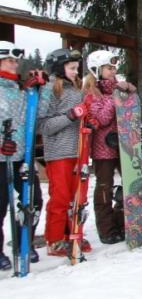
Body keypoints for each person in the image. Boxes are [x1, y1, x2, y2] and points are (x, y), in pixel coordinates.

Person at [37, 48, 92, 256]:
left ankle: (73, 233)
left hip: (79, 149)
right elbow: (43, 125)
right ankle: (55, 239)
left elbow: (83, 115)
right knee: (60, 197)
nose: (75, 72)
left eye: (77, 68)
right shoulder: (50, 89)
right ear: (59, 69)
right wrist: (70, 115)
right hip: (59, 151)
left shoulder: (77, 89)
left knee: (77, 197)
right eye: (71, 68)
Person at [0, 42, 45, 269]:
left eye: (15, 61)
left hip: (21, 157)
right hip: (1, 157)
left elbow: (40, 114)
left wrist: (40, 89)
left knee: (33, 200)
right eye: (9, 60)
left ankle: (22, 242)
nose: (14, 65)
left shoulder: (20, 90)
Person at [84, 50, 134, 244]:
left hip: (123, 144)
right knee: (105, 188)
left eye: (114, 67)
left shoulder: (117, 88)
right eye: (108, 68)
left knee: (129, 184)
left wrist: (128, 91)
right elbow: (102, 118)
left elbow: (131, 110)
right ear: (97, 70)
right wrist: (115, 97)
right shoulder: (91, 93)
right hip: (102, 148)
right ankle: (107, 229)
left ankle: (122, 221)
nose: (113, 71)